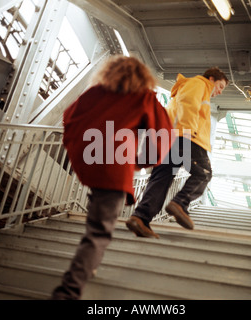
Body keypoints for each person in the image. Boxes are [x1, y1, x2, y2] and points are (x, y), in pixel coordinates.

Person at [51, 55, 174, 300]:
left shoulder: (94, 93)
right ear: (143, 78)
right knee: (98, 232)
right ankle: (68, 292)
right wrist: (139, 162)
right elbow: (162, 136)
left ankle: (89, 265)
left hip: (91, 165)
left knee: (96, 219)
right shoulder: (144, 97)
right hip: (116, 170)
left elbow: (69, 119)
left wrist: (80, 154)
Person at [126, 67, 229, 239]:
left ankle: (140, 218)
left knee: (161, 179)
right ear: (211, 79)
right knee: (203, 173)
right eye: (220, 86)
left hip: (171, 137)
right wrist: (189, 133)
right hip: (186, 136)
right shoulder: (199, 84)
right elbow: (188, 103)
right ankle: (180, 203)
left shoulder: (191, 86)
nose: (219, 91)